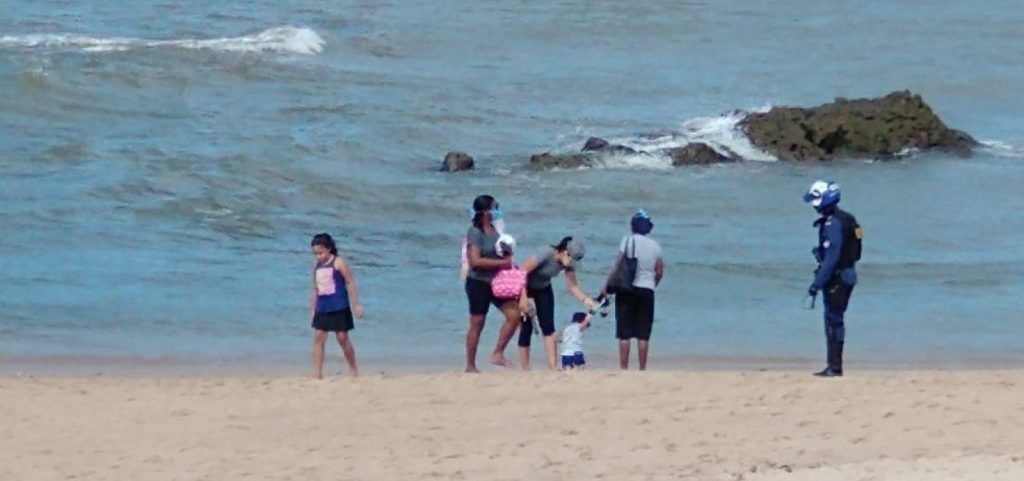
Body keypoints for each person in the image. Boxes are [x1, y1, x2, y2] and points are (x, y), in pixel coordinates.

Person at [803, 180, 861, 378]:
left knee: (833, 321)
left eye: (816, 200)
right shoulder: (847, 219)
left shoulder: (833, 224)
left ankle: (834, 367)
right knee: (836, 320)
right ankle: (834, 365)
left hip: (838, 278)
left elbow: (832, 258)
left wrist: (816, 284)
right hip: (847, 274)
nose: (814, 206)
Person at [516, 237, 598, 371]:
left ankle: (553, 366)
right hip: (525, 287)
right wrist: (523, 298)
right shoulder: (546, 253)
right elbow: (521, 272)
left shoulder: (568, 264)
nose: (571, 263)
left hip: (544, 289)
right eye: (571, 259)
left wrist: (586, 300)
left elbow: (573, 286)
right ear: (564, 252)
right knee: (526, 328)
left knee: (548, 328)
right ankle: (525, 369)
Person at [463, 195, 522, 372]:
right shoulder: (475, 231)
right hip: (478, 282)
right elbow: (475, 261)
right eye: (494, 207)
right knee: (478, 322)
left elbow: (501, 250)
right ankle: (470, 365)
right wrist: (501, 263)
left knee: (514, 315)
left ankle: (498, 353)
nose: (497, 210)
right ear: (485, 211)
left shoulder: (496, 229)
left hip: (497, 282)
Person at [604, 210, 664, 371]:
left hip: (627, 288)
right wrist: (653, 284)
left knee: (624, 332)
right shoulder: (655, 246)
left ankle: (624, 367)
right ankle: (642, 368)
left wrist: (607, 284)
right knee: (643, 333)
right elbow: (659, 271)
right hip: (647, 290)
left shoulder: (628, 240)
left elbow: (618, 264)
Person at [309, 233, 365, 379]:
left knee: (342, 337)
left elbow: (350, 282)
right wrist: (313, 307)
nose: (318, 257)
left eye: (321, 253)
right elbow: (315, 288)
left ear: (328, 249)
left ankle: (353, 369)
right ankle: (317, 372)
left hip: (339, 306)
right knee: (319, 337)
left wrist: (356, 304)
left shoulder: (338, 262)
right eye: (315, 254)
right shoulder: (316, 267)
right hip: (322, 307)